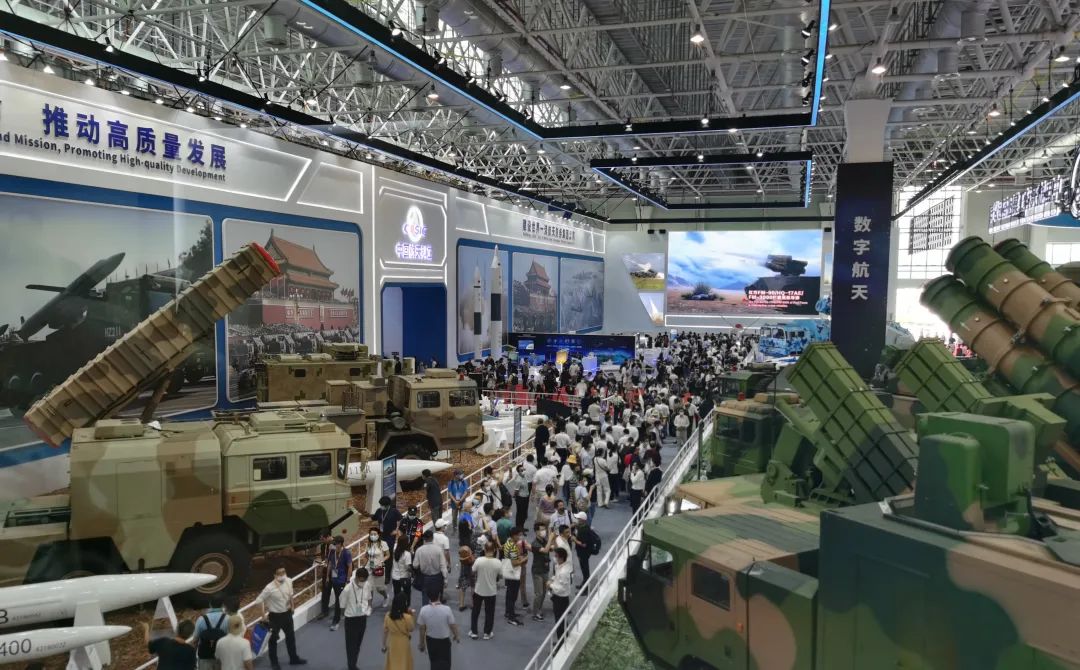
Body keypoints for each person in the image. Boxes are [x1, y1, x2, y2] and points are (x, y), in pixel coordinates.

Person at [255, 566, 306, 667]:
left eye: (284, 572)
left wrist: (292, 606)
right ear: (275, 575)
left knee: (291, 638)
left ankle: (294, 658)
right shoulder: (269, 588)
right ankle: (274, 663)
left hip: (287, 614)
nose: (282, 575)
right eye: (279, 573)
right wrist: (263, 615)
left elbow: (290, 594)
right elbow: (259, 600)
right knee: (273, 641)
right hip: (275, 617)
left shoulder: (289, 581)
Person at [339, 567, 373, 670]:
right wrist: (343, 616)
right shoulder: (347, 589)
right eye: (361, 580)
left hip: (362, 619)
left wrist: (369, 607)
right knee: (351, 646)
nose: (363, 583)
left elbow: (369, 597)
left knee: (358, 644)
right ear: (357, 577)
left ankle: (353, 664)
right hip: (351, 620)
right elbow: (342, 605)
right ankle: (351, 666)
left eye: (364, 580)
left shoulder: (367, 584)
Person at [417, 589, 460, 670]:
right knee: (446, 662)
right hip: (444, 641)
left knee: (434, 661)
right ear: (439, 595)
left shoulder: (424, 610)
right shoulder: (447, 609)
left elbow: (422, 629)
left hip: (431, 640)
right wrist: (456, 635)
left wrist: (422, 643)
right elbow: (452, 625)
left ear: (428, 596)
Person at [470, 543, 501, 640]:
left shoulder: (479, 560)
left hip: (479, 590)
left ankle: (474, 632)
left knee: (475, 611)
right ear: (494, 550)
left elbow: (473, 571)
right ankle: (487, 633)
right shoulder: (498, 562)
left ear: (484, 549)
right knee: (489, 613)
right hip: (491, 591)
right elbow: (501, 575)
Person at [322, 535, 352, 630]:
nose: (335, 545)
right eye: (334, 544)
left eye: (336, 544)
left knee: (338, 600)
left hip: (342, 579)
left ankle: (336, 621)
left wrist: (348, 579)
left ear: (341, 544)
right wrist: (327, 577)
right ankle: (343, 612)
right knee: (338, 598)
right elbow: (330, 564)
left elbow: (350, 566)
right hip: (334, 579)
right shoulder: (332, 552)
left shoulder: (346, 553)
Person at [413, 530, 449, 607]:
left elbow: (415, 565)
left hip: (424, 577)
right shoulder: (438, 549)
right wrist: (445, 579)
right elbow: (443, 566)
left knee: (425, 598)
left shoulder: (419, 550)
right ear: (432, 538)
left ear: (424, 539)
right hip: (437, 577)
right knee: (436, 599)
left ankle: (425, 612)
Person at [374, 497, 402, 588]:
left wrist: (396, 530)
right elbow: (373, 517)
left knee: (388, 555)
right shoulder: (379, 511)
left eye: (382, 505)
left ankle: (387, 576)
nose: (381, 506)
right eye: (380, 505)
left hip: (390, 536)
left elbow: (401, 519)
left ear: (387, 505)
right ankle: (379, 572)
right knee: (379, 554)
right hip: (381, 535)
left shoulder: (394, 511)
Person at [501, 526, 527, 626]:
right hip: (513, 573)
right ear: (514, 535)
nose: (520, 537)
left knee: (509, 594)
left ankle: (508, 612)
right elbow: (514, 563)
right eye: (518, 535)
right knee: (513, 596)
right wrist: (524, 559)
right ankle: (511, 617)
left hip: (508, 571)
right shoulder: (512, 547)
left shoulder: (508, 543)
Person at [382, 593, 415, 670]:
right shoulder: (407, 617)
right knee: (404, 662)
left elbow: (385, 631)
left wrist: (384, 645)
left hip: (392, 642)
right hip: (404, 642)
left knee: (393, 662)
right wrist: (412, 615)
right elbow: (411, 629)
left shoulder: (388, 616)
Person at [195, 596, 229, 670]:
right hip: (222, 656)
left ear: (210, 605)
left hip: (205, 656)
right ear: (222, 605)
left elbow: (195, 640)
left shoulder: (201, 619)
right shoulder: (228, 618)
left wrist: (194, 656)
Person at [549, 548, 573, 640]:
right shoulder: (558, 566)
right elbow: (556, 577)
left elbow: (562, 589)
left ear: (561, 557)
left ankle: (561, 642)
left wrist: (550, 585)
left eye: (556, 556)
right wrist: (552, 580)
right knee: (561, 621)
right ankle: (563, 639)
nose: (554, 558)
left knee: (560, 622)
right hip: (557, 597)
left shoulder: (564, 572)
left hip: (561, 599)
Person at [530, 522, 552, 621]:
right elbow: (545, 550)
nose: (544, 531)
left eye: (544, 529)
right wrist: (551, 539)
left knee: (544, 592)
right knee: (538, 593)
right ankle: (535, 613)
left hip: (545, 569)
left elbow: (550, 548)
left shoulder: (544, 540)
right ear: (536, 531)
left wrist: (552, 540)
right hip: (537, 571)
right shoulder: (535, 543)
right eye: (541, 529)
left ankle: (539, 608)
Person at [365, 528, 392, 607]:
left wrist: (382, 561)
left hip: (379, 568)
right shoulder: (368, 544)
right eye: (371, 534)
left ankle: (386, 597)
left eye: (375, 534)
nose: (373, 536)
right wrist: (366, 563)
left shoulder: (383, 543)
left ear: (378, 535)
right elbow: (366, 555)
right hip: (369, 567)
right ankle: (369, 606)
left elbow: (388, 555)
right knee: (369, 588)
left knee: (380, 588)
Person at [508, 464, 530, 530]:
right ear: (518, 471)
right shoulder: (518, 480)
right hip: (521, 498)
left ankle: (522, 527)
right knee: (520, 513)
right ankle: (518, 528)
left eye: (524, 470)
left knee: (524, 513)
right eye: (521, 470)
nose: (523, 471)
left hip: (526, 497)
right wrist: (515, 496)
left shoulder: (524, 476)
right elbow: (516, 490)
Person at [456, 543, 475, 611]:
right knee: (473, 586)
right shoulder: (471, 556)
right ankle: (473, 604)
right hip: (471, 572)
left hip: (463, 571)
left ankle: (461, 605)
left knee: (462, 588)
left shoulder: (462, 553)